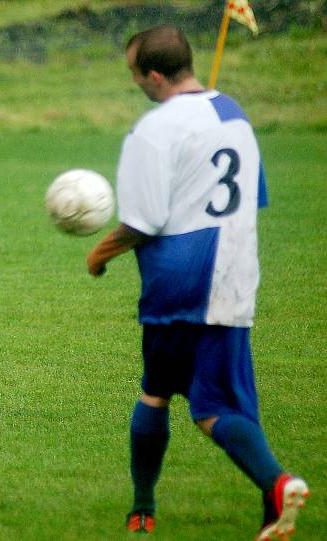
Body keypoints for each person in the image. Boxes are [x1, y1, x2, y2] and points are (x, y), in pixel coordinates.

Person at [86, 25, 309, 539]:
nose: (134, 82)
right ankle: (272, 502)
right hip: (235, 274)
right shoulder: (235, 115)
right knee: (221, 399)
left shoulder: (153, 129)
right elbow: (250, 197)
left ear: (155, 75)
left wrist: (99, 253)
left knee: (173, 399)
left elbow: (141, 221)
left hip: (180, 281)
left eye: (134, 73)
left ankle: (262, 484)